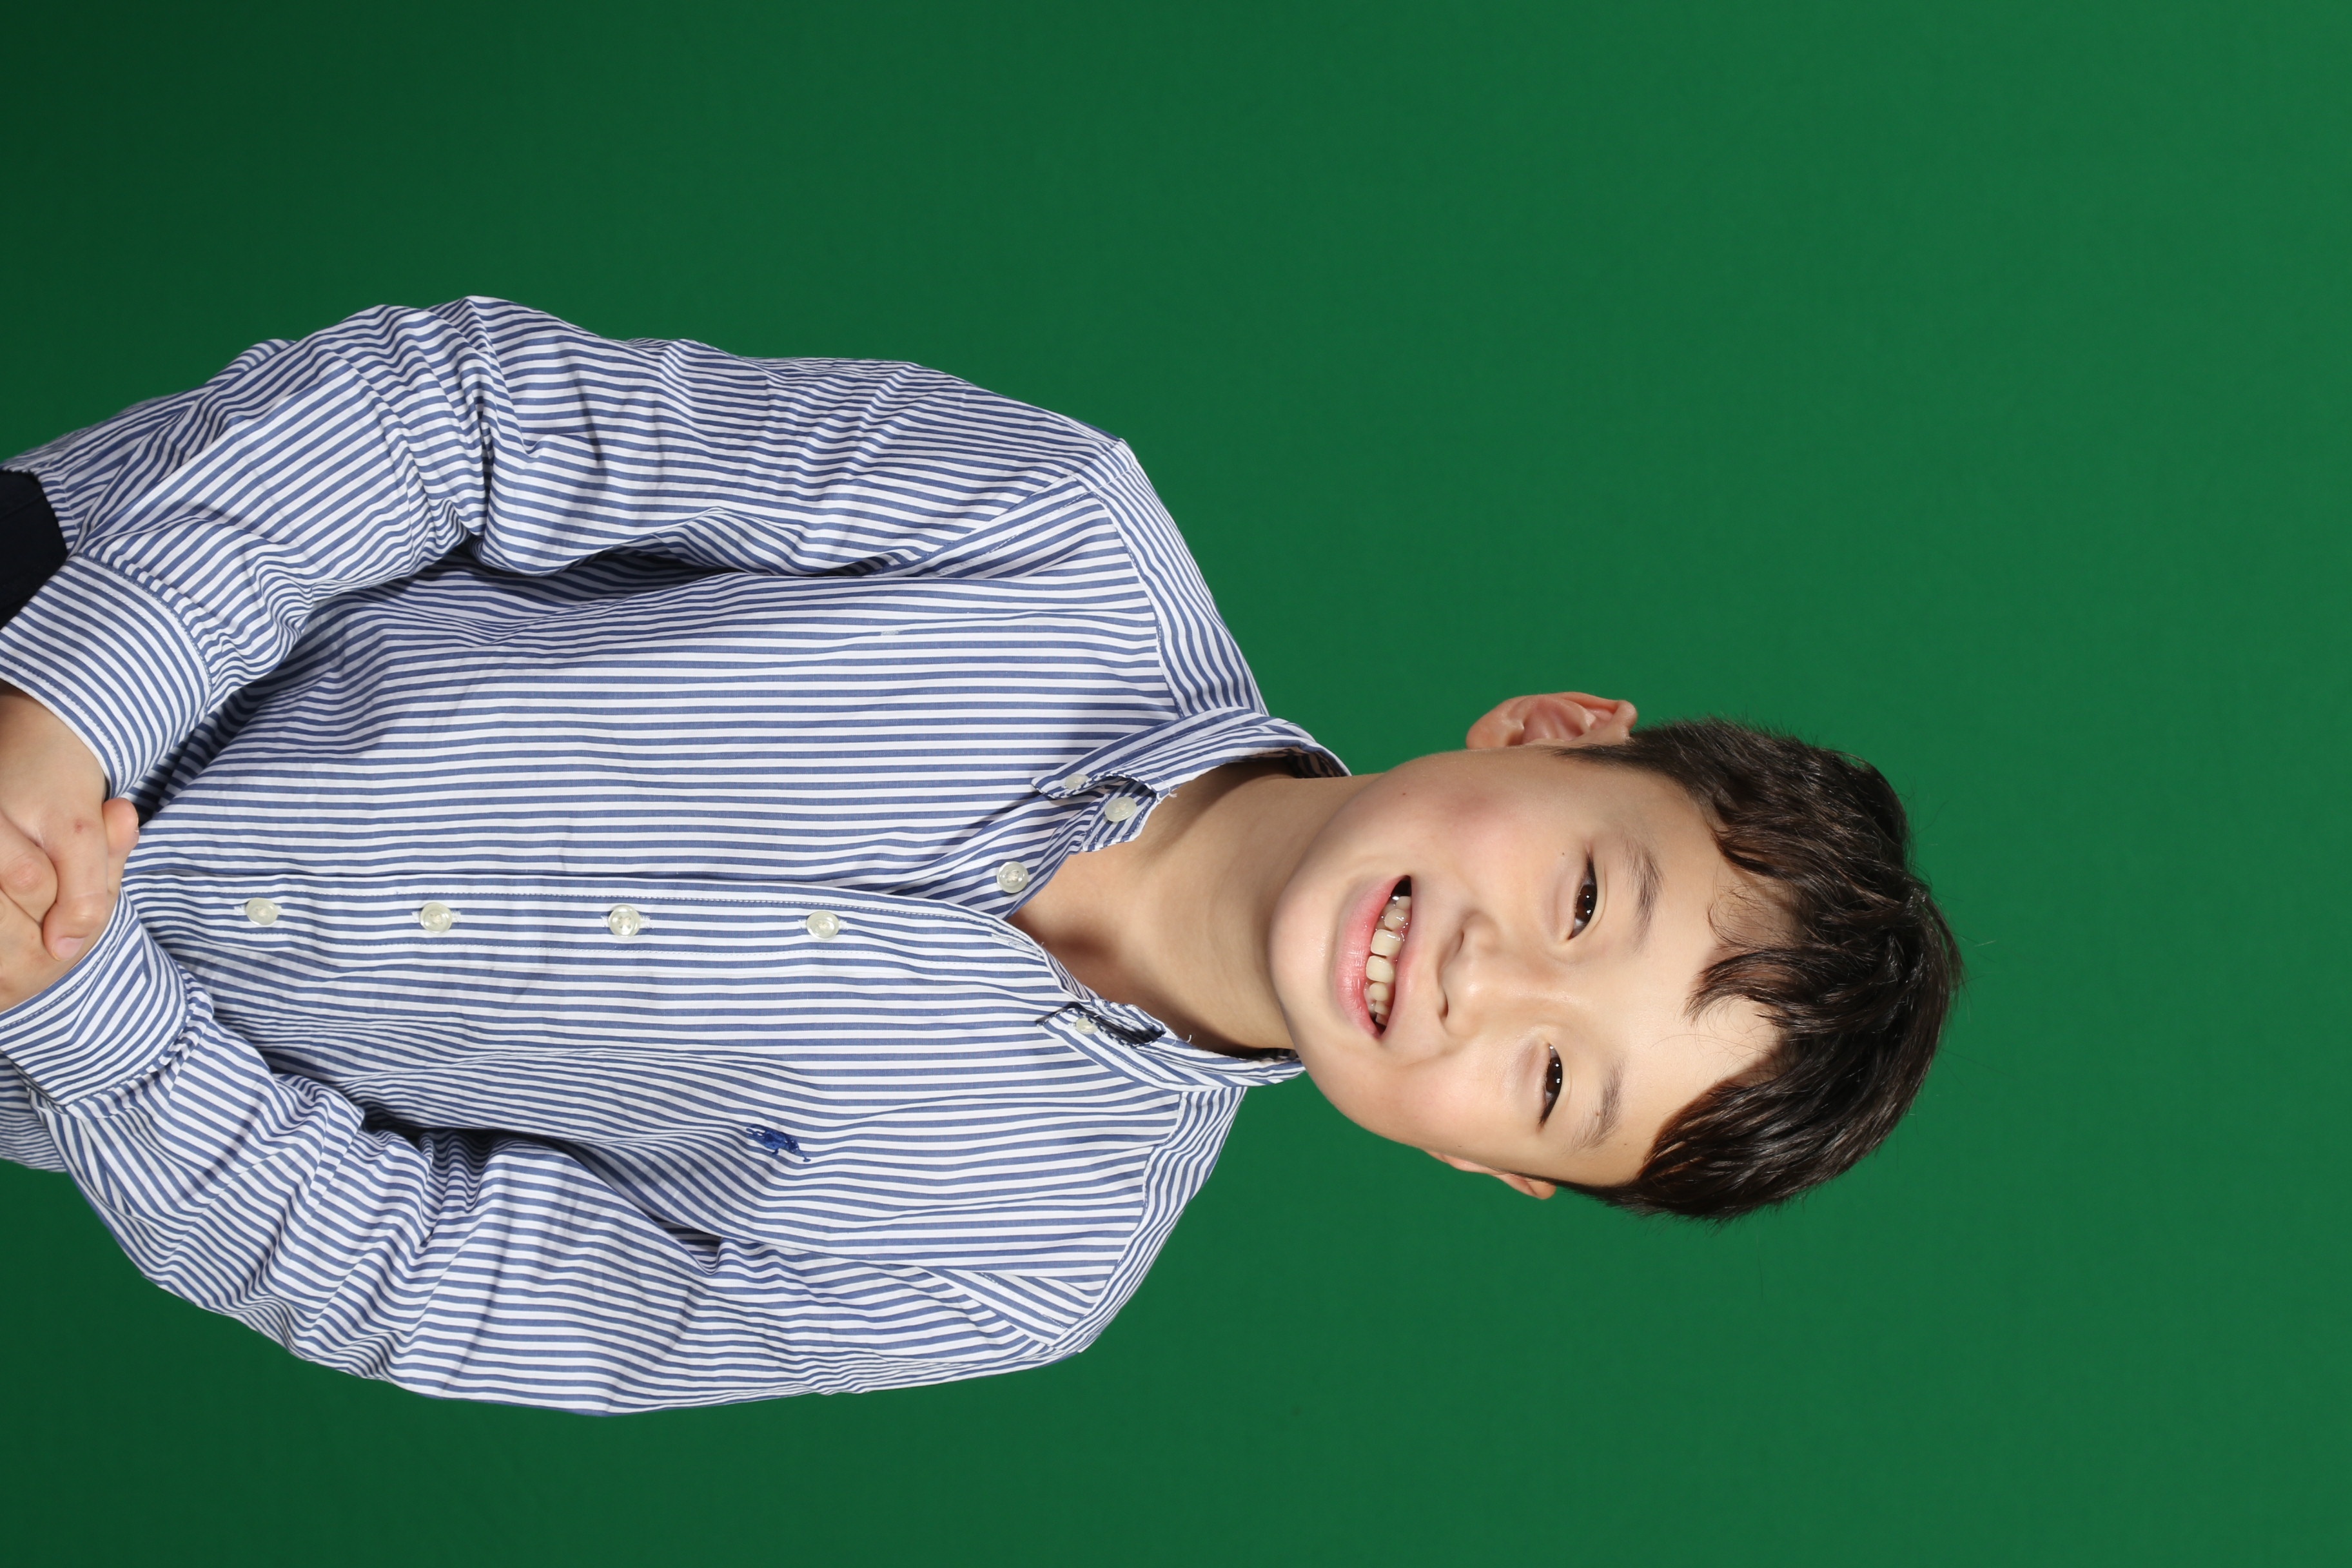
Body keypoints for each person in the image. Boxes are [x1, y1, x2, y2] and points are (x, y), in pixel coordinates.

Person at [0, 299, 1958, 1413]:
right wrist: (72, 712)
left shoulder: (1015, 1273)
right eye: (1584, 899)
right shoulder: (1050, 528)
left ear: (1484, 1165)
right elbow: (461, 419)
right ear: (1550, 732)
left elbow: (432, 1279)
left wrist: (81, 1004)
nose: (1480, 980)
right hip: (70, 605)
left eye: (1547, 1078)